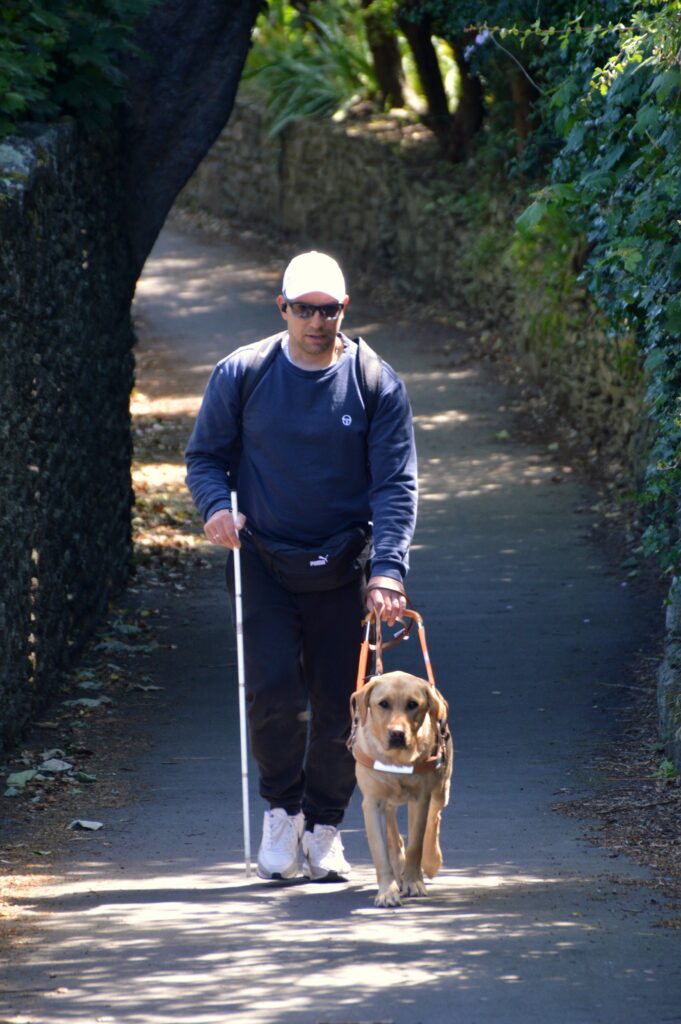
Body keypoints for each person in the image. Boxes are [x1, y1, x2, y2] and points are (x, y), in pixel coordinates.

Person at [185, 250, 417, 882]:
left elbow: (395, 483)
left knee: (347, 704)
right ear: (281, 307)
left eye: (331, 310)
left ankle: (324, 827)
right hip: (263, 557)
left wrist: (387, 570)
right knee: (272, 695)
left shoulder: (375, 382)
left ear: (346, 308)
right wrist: (215, 509)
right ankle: (281, 814)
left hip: (344, 564)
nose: (318, 322)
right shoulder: (244, 373)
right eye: (305, 309)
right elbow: (206, 456)